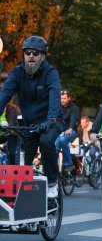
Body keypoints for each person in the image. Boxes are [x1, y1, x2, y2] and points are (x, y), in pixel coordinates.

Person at [0, 35, 63, 198]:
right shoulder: (17, 72)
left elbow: (55, 97)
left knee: (46, 141)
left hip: (51, 122)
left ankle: (52, 181)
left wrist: (51, 120)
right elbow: (4, 95)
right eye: (27, 53)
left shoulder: (50, 73)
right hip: (29, 124)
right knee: (19, 158)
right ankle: (20, 198)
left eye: (36, 53)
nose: (31, 56)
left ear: (43, 56)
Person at [55, 90, 80, 172]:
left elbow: (73, 119)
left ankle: (68, 164)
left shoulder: (74, 108)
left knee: (62, 140)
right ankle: (52, 167)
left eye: (64, 98)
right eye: (61, 98)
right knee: (54, 145)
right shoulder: (58, 107)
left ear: (69, 98)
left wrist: (70, 128)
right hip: (61, 131)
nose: (62, 100)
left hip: (72, 131)